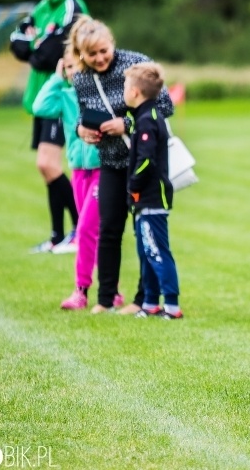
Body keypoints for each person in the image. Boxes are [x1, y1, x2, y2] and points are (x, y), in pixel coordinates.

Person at [69, 16, 174, 314]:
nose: (100, 58)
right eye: (92, 54)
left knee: (145, 232)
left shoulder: (136, 64)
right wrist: (82, 130)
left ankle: (143, 299)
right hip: (111, 162)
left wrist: (125, 123)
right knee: (109, 228)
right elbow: (81, 115)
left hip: (143, 163)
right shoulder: (82, 79)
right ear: (81, 55)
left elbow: (165, 105)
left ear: (112, 43)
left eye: (104, 50)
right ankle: (105, 299)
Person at [9, 0, 88, 254]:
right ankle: (58, 236)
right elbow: (17, 41)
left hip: (63, 95)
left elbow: (50, 53)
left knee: (49, 163)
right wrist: (37, 45)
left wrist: (35, 45)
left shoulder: (71, 6)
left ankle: (81, 231)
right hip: (43, 97)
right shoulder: (42, 9)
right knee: (46, 167)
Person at [32, 46, 102, 310]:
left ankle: (84, 291)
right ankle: (103, 291)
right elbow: (39, 106)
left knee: (87, 229)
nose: (73, 72)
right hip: (78, 169)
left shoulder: (97, 92)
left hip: (102, 167)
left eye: (76, 66)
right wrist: (56, 77)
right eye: (68, 67)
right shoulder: (64, 95)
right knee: (91, 231)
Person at [122, 63, 182, 320]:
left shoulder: (147, 121)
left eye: (125, 87)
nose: (123, 92)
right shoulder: (145, 117)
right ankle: (149, 302)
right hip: (144, 200)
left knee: (157, 251)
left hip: (150, 198)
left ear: (135, 92)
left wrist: (132, 186)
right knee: (146, 252)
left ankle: (171, 305)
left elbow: (146, 161)